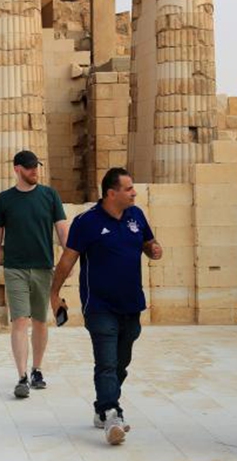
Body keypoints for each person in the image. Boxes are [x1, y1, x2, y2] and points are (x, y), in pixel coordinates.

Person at [51, 168, 162, 445]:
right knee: (107, 363)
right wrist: (53, 293)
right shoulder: (86, 222)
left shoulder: (136, 216)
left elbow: (148, 244)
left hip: (131, 304)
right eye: (128, 189)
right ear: (111, 193)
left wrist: (154, 250)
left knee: (121, 363)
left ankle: (103, 406)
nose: (134, 192)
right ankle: (113, 414)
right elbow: (68, 259)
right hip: (99, 305)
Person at [0, 150, 68, 399]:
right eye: (30, 167)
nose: (35, 170)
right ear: (17, 169)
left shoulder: (50, 195)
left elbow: (63, 231)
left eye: (37, 166)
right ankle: (21, 376)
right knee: (20, 320)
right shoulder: (4, 200)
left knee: (41, 322)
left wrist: (70, 261)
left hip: (44, 267)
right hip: (15, 268)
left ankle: (37, 370)